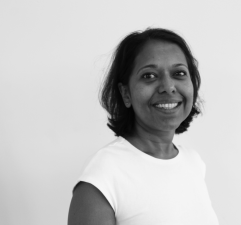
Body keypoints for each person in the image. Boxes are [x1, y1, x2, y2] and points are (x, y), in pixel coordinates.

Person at [68, 28, 219, 225]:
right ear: (126, 94)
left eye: (179, 73)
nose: (168, 86)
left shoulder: (194, 163)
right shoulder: (103, 177)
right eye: (149, 76)